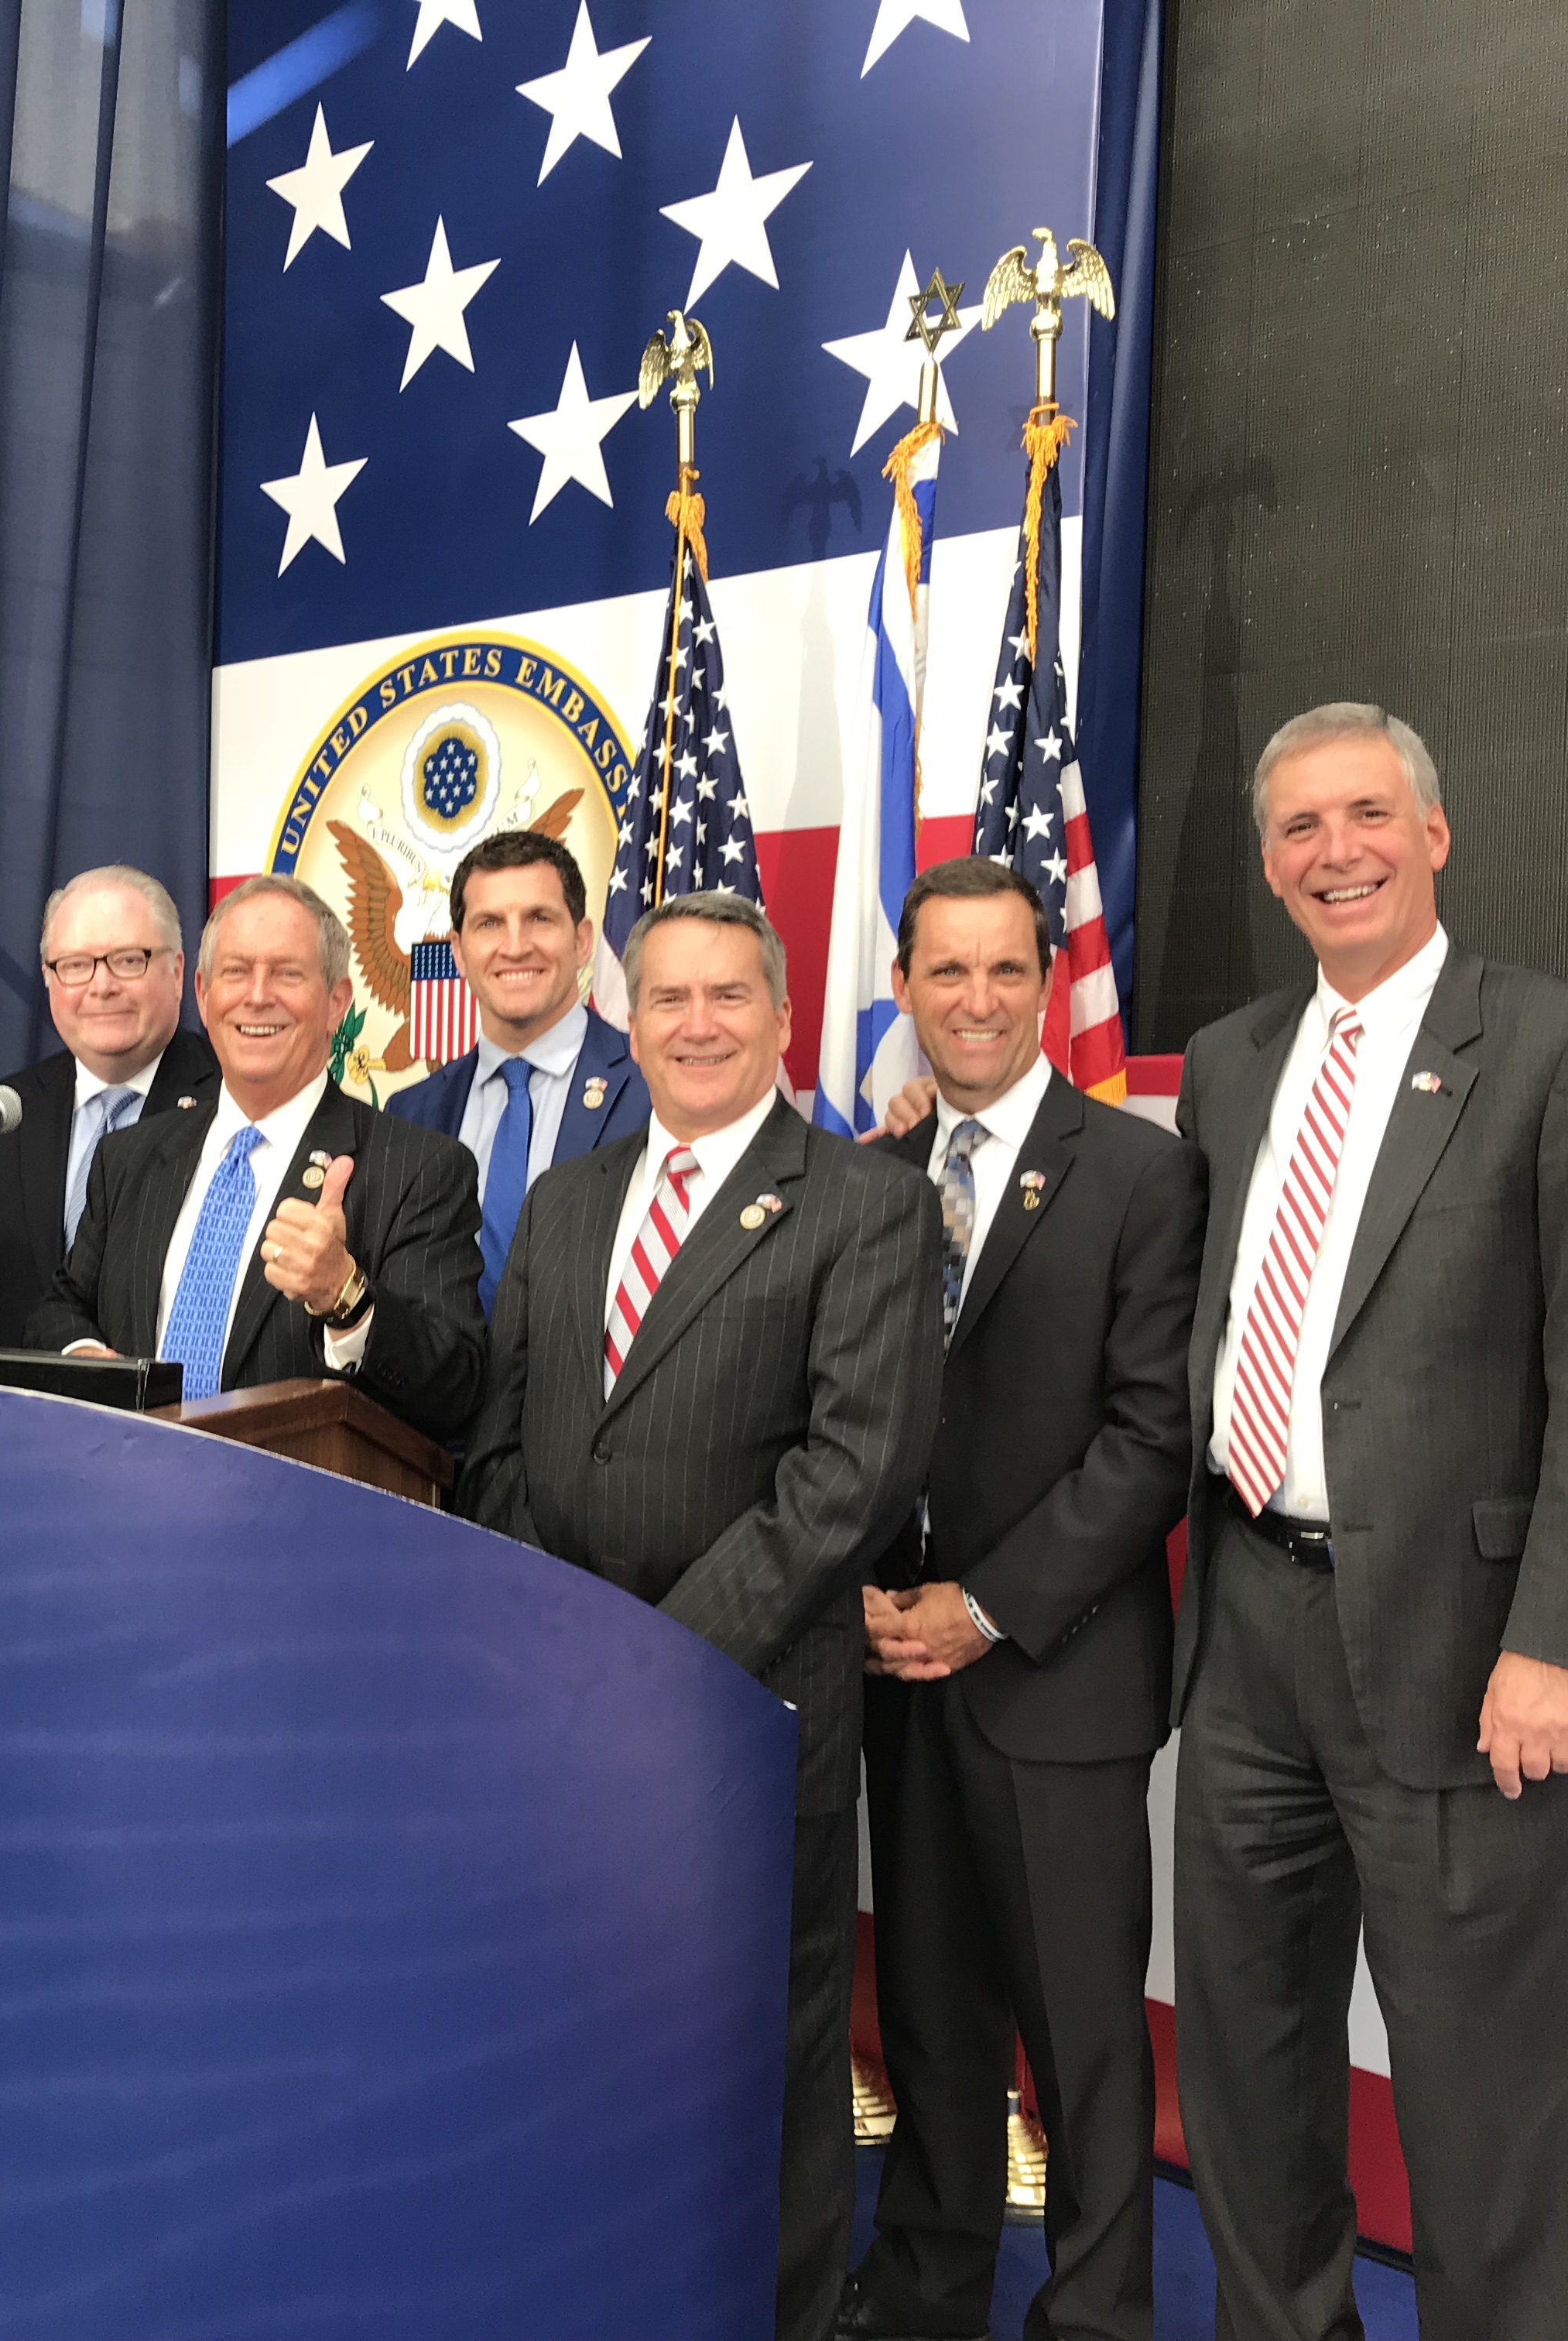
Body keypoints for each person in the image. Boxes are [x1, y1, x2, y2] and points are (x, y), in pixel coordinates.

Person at [1171, 704, 1568, 2341]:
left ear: (1436, 833)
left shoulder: (1558, 1045)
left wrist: (1562, 1647)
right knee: (1248, 2075)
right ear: (1269, 864)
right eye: (1303, 828)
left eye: (1369, 815)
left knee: (1482, 2110)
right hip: (1247, 1634)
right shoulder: (1232, 1064)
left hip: (1470, 1667)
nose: (1339, 852)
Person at [460, 890, 943, 2341]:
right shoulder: (567, 1199)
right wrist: (554, 1635)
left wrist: (653, 1661)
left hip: (749, 1703)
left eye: (727, 995)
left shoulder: (865, 1204)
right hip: (562, 1706)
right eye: (665, 996)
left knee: (767, 2050)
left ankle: (774, 2312)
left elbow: (850, 1473)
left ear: (783, 1016)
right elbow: (501, 1437)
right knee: (583, 2021)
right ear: (632, 1017)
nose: (695, 1023)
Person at [835, 857, 1203, 2341]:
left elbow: (1151, 1439)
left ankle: (1099, 2311)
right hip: (891, 1664)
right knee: (927, 2012)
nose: (974, 999)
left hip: (1051, 1669)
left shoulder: (1140, 1170)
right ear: (905, 985)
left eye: (1003, 971)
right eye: (945, 972)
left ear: (1045, 984)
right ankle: (925, 2284)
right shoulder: (875, 1172)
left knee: (1079, 2033)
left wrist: (980, 1605)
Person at [25, 874, 483, 1442]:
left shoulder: (418, 1169)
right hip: (129, 1500)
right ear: (202, 992)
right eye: (236, 972)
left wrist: (347, 1297)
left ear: (337, 1002)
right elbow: (58, 1308)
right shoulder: (130, 1157)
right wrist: (89, 1356)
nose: (257, 995)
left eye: (287, 973)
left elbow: (455, 1391)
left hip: (295, 1515)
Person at [0, 864, 217, 1349]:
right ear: (47, 978)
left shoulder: (230, 1106)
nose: (102, 986)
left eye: (128, 960)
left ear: (178, 970)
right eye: (76, 965)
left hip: (167, 1419)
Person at [385, 829, 648, 1311]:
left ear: (582, 940)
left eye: (539, 919)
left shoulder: (649, 1088)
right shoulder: (411, 1112)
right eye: (489, 924)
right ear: (459, 953)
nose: (515, 946)